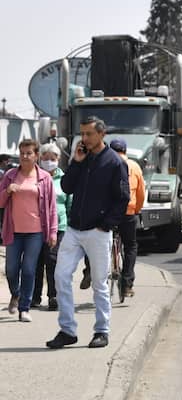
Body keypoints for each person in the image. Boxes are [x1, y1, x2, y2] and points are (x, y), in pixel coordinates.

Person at [46, 116, 129, 350]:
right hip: (74, 230)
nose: (84, 138)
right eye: (82, 133)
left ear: (102, 134)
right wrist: (76, 162)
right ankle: (67, 330)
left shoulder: (114, 162)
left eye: (89, 134)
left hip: (98, 232)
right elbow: (66, 187)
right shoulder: (81, 159)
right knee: (61, 276)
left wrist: (106, 224)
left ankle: (102, 331)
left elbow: (122, 198)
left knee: (99, 283)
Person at [0, 139, 58, 322]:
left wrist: (53, 232)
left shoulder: (45, 178)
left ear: (36, 155)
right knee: (11, 269)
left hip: (35, 232)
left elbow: (52, 207)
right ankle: (16, 294)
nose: (25, 156)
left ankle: (24, 308)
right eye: (22, 153)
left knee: (28, 269)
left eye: (29, 153)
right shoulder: (10, 175)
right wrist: (7, 191)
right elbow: (0, 202)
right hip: (13, 231)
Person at [31, 143, 70, 311]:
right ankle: (34, 297)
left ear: (58, 159)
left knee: (52, 260)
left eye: (52, 159)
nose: (49, 162)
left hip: (58, 226)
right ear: (40, 159)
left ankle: (53, 296)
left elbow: (70, 204)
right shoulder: (34, 177)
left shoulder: (64, 179)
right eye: (45, 158)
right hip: (36, 226)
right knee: (36, 261)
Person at [109, 137, 144, 297]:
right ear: (125, 151)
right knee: (130, 246)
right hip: (128, 212)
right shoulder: (134, 167)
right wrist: (137, 209)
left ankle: (92, 272)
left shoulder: (107, 164)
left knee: (100, 243)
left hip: (109, 212)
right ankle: (127, 284)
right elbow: (141, 193)